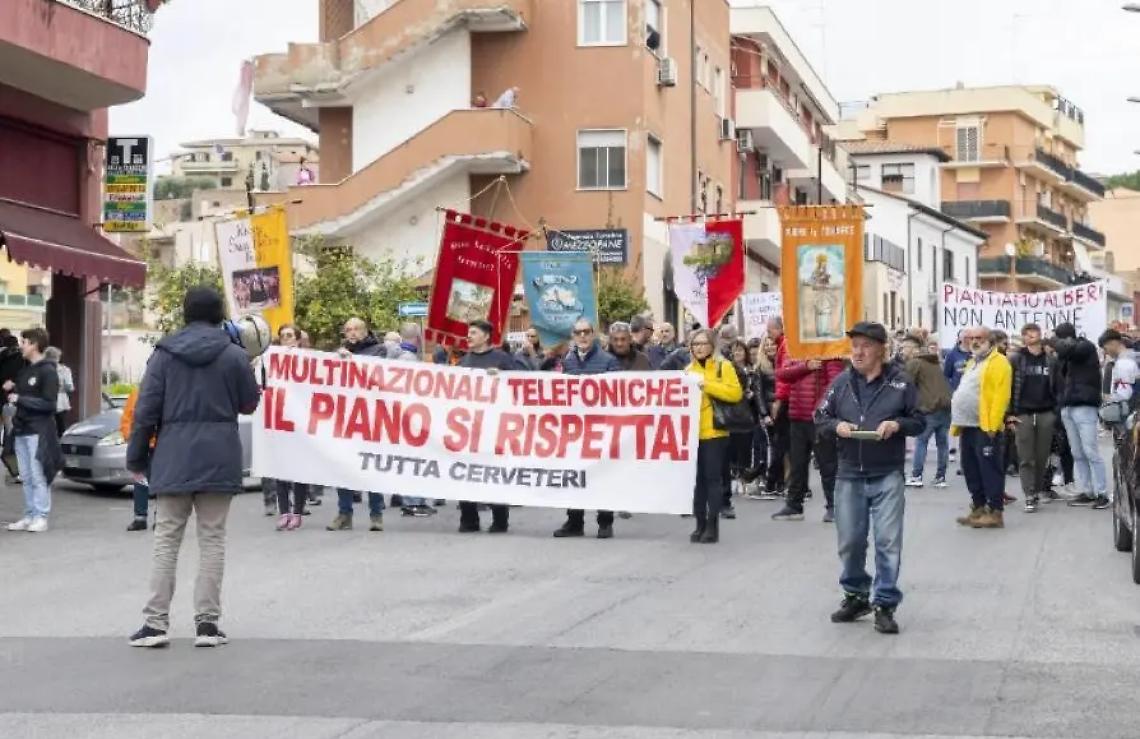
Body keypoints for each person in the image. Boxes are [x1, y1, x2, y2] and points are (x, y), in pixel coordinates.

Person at [127, 287, 260, 648]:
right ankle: (207, 625)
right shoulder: (234, 356)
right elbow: (249, 404)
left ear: (185, 313)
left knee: (166, 540)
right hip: (219, 456)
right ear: (220, 315)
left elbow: (145, 412)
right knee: (213, 539)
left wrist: (137, 457)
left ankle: (155, 625)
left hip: (173, 457)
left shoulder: (163, 355)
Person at [816, 322, 922, 635]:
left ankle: (885, 604)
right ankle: (856, 595)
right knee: (850, 541)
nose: (858, 352)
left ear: (881, 349)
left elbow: (918, 420)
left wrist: (896, 425)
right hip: (849, 472)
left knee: (888, 542)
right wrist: (836, 426)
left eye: (865, 346)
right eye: (855, 346)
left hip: (887, 473)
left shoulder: (901, 383)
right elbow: (820, 416)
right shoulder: (840, 383)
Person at [554, 317, 621, 538]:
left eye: (586, 332)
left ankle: (605, 522)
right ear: (573, 336)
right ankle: (574, 521)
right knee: (574, 475)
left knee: (603, 475)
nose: (582, 336)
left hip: (600, 428)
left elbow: (618, 394)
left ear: (593, 334)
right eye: (578, 332)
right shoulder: (568, 360)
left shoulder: (609, 361)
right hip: (573, 429)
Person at [771, 346, 845, 523]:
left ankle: (834, 506)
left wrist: (821, 408)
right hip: (797, 416)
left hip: (819, 419)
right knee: (797, 464)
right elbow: (781, 373)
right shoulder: (795, 349)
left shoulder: (829, 351)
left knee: (827, 464)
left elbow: (835, 384)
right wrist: (806, 366)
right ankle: (794, 505)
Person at [328, 317, 388, 532]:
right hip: (345, 418)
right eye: (348, 330)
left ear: (365, 331)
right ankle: (345, 513)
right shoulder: (339, 353)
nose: (352, 333)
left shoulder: (378, 350)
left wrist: (351, 359)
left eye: (356, 329)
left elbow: (377, 375)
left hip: (370, 417)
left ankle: (376, 514)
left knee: (370, 466)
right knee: (342, 466)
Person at [457, 320, 518, 533]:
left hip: (495, 427)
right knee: (465, 472)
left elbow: (520, 384)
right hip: (469, 427)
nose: (469, 336)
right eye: (468, 333)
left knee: (495, 474)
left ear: (486, 336)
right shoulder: (464, 362)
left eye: (473, 333)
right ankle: (469, 519)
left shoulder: (502, 359)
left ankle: (500, 519)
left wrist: (502, 378)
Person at [951, 328, 1013, 529]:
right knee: (971, 469)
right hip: (967, 425)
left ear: (990, 341)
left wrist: (993, 425)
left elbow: (1001, 396)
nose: (975, 342)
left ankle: (995, 512)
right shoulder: (973, 361)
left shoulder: (999, 362)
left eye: (979, 338)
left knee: (989, 469)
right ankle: (978, 508)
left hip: (985, 427)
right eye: (972, 339)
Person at [686, 329, 743, 544]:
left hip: (715, 432)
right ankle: (699, 523)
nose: (699, 347)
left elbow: (735, 393)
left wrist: (706, 385)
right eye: (695, 344)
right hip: (694, 433)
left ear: (712, 345)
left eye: (703, 343)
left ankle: (712, 525)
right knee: (697, 481)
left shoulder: (723, 366)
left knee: (712, 479)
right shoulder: (688, 370)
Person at [4, 328, 62, 533]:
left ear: (35, 344)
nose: (21, 345)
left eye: (24, 341)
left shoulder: (48, 371)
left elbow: (49, 405)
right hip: (21, 429)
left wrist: (20, 398)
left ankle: (41, 516)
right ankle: (29, 515)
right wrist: (13, 390)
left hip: (39, 430)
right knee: (26, 477)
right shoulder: (25, 371)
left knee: (38, 476)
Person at [1054, 322, 1108, 508]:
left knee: (1091, 451)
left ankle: (1102, 493)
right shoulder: (1067, 354)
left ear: (1067, 337)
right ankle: (1087, 491)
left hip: (1084, 405)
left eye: (1059, 338)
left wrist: (1053, 342)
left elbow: (1069, 351)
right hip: (1068, 406)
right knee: (1077, 452)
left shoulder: (1085, 346)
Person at [1006, 324, 1059, 513]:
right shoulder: (1016, 359)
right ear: (1023, 337)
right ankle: (1029, 494)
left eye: (1034, 334)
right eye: (1027, 335)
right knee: (1026, 457)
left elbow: (1058, 387)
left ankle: (1036, 490)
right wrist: (1009, 414)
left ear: (1040, 335)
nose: (1031, 337)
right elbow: (1009, 388)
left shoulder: (1051, 360)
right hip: (1023, 413)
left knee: (1042, 456)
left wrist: (1055, 412)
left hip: (1046, 412)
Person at [271, 325, 311, 530]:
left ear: (297, 339)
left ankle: (297, 512)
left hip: (300, 422)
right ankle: (284, 511)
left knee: (299, 471)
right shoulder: (272, 358)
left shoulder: (307, 358)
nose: (286, 339)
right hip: (280, 420)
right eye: (282, 336)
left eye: (289, 336)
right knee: (281, 469)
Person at [900, 334, 951, 489]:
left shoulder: (916, 363)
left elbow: (905, 384)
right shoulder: (935, 362)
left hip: (929, 407)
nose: (902, 351)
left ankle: (916, 475)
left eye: (905, 348)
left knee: (921, 441)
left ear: (915, 348)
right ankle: (940, 477)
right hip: (945, 406)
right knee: (942, 443)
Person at [120, 385, 154, 531]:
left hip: (159, 446)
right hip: (140, 444)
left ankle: (162, 519)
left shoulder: (168, 391)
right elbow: (127, 417)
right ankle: (140, 518)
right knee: (140, 481)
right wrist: (130, 436)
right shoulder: (137, 393)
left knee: (160, 482)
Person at [44, 347, 73, 437]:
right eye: (50, 358)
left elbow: (70, 387)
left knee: (60, 426)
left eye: (55, 357)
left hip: (60, 403)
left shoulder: (64, 370)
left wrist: (58, 386)